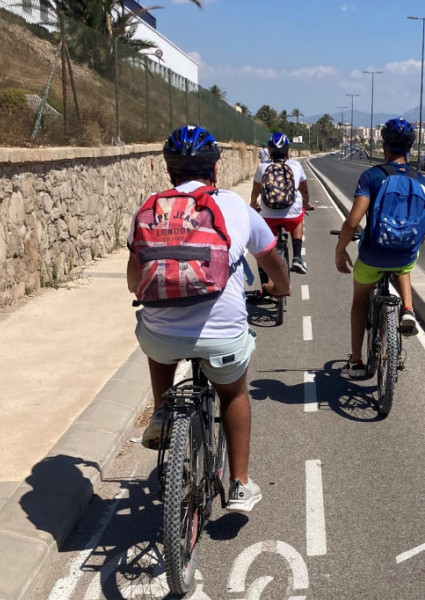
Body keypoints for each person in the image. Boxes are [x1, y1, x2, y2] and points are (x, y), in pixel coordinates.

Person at [127, 125, 290, 512]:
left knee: (155, 332)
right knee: (233, 391)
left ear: (169, 174)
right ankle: (240, 484)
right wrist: (280, 288)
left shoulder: (148, 207)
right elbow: (271, 259)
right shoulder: (235, 207)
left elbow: (135, 281)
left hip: (162, 336)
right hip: (222, 334)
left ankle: (164, 409)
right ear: (214, 171)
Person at [334, 118, 425, 379]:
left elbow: (353, 221)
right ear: (410, 147)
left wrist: (340, 249)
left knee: (359, 301)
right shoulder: (422, 181)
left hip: (372, 254)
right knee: (405, 262)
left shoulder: (372, 176)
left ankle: (356, 361)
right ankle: (408, 311)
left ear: (384, 145)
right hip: (403, 253)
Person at [250, 132, 313, 276]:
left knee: (263, 248)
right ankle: (297, 257)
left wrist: (253, 203)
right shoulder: (296, 166)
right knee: (299, 219)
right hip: (291, 214)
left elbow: (255, 191)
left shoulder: (262, 167)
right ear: (287, 150)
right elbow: (304, 189)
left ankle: (264, 277)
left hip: (268, 216)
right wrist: (306, 203)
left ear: (270, 151)